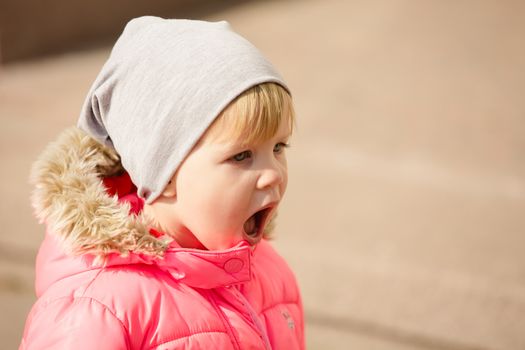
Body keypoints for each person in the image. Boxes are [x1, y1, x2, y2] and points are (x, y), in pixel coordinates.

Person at [19, 16, 304, 349]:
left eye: (278, 148)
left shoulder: (266, 272)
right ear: (164, 173)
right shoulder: (95, 312)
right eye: (241, 156)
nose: (273, 173)